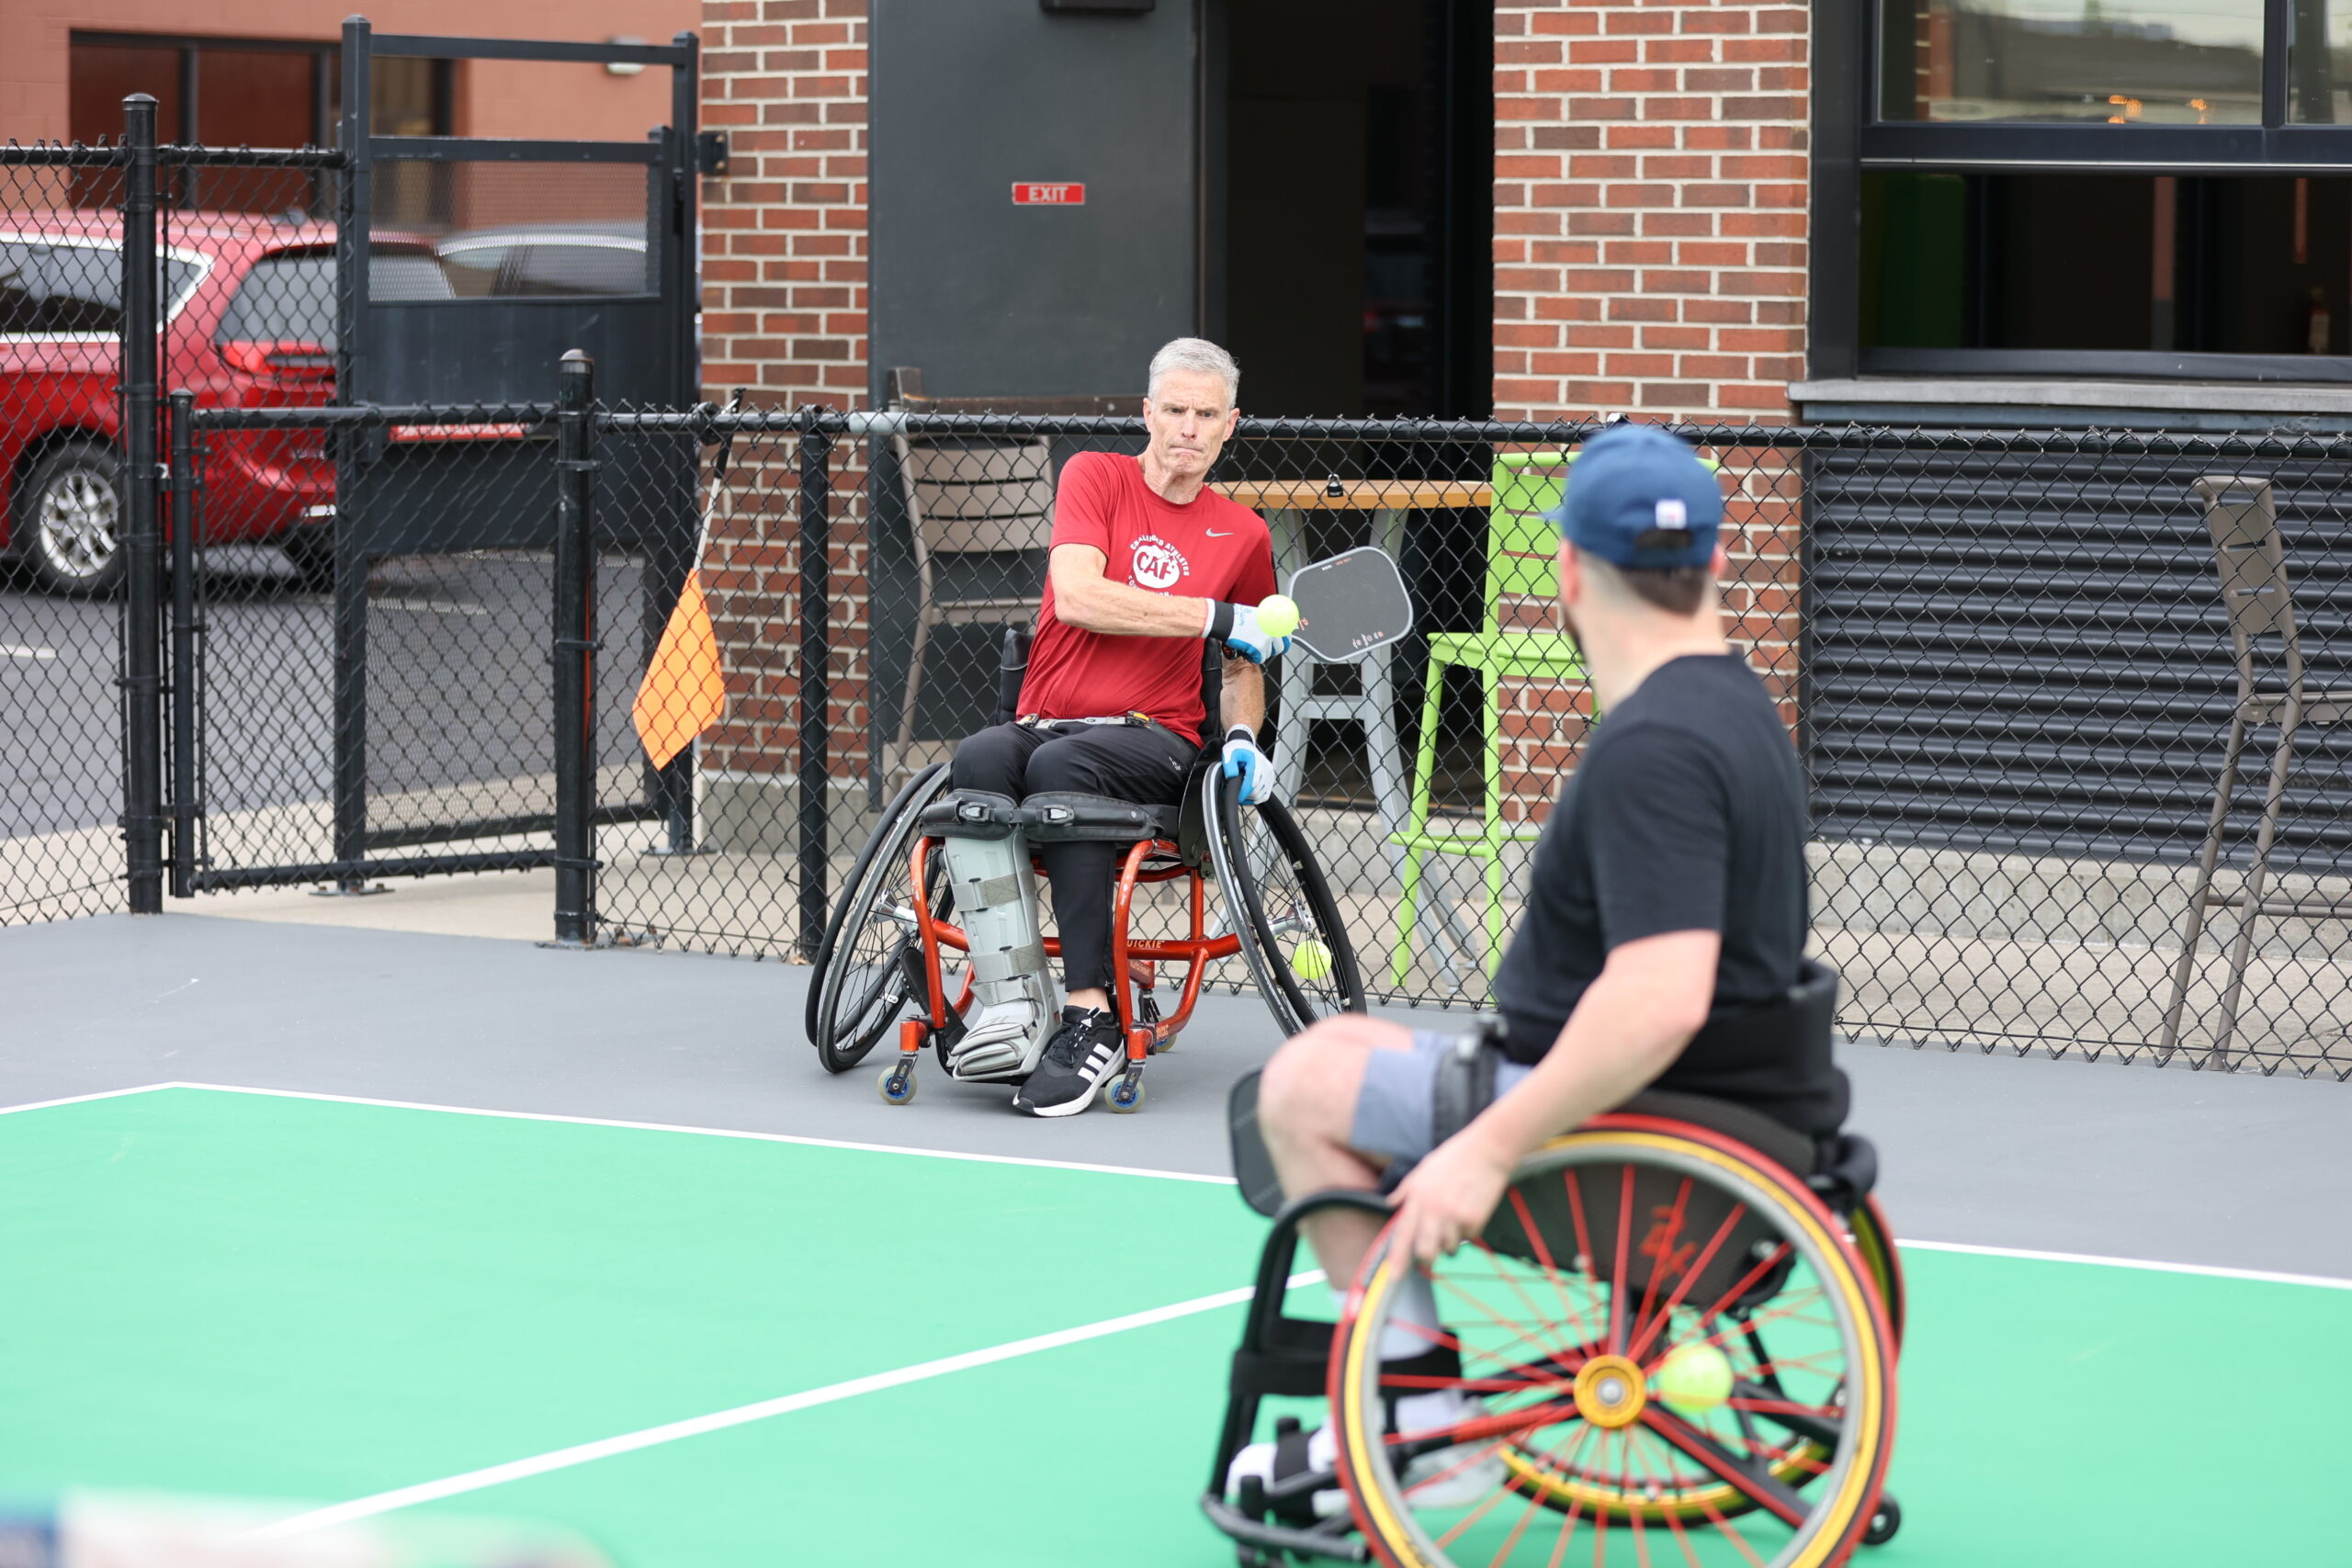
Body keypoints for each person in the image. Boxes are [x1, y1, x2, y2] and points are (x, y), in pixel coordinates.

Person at [1231, 421, 1849, 1496]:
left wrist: (1484, 1148)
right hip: (1732, 1122)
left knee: (1294, 1088)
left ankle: (1418, 1410)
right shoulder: (1741, 708)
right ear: (1710, 561)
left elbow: (1659, 999)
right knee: (1359, 1042)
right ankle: (1414, 1393)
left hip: (1641, 1154)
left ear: (1565, 568)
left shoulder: (1654, 748)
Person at [938, 338, 1290, 1118]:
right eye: (1174, 411)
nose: (1188, 429)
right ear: (1147, 413)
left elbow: (1241, 669)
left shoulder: (1245, 535)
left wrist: (1243, 740)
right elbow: (1078, 596)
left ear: (1229, 426)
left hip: (1153, 740)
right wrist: (1214, 613)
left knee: (1065, 768)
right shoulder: (1093, 475)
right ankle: (1013, 997)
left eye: (1206, 415)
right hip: (1048, 719)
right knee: (982, 755)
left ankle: (1092, 1011)